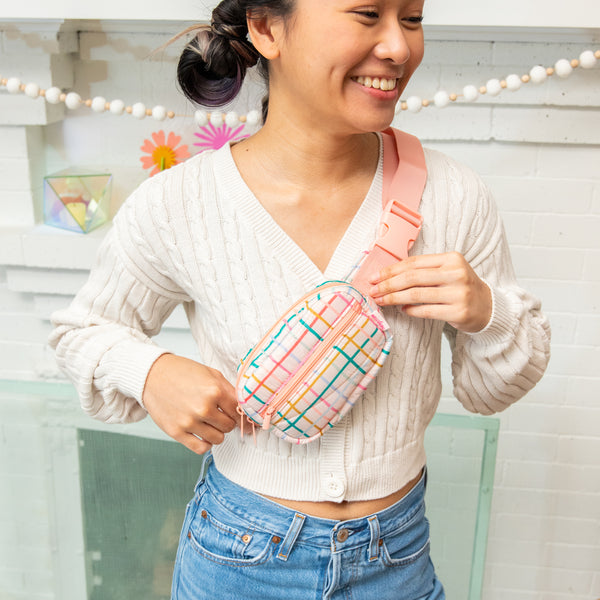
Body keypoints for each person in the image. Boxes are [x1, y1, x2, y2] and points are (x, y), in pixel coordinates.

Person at [49, 0, 551, 597]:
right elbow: (80, 334)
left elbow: (489, 392)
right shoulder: (179, 203)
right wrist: (149, 371)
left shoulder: (454, 196)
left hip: (397, 557)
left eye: (412, 19)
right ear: (266, 28)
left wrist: (486, 313)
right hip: (237, 558)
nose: (398, 48)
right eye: (368, 15)